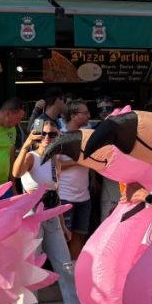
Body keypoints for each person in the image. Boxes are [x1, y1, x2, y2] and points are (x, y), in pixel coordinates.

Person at [12, 118, 96, 304]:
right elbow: (16, 173)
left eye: (54, 134)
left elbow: (55, 193)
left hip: (51, 214)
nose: (49, 138)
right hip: (32, 215)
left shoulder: (54, 160)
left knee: (66, 266)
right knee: (34, 267)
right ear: (37, 134)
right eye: (45, 134)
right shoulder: (32, 156)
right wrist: (26, 143)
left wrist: (62, 224)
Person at [57, 100, 93, 259]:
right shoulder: (58, 135)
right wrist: (79, 160)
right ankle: (66, 274)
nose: (88, 116)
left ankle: (74, 273)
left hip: (84, 195)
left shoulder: (87, 133)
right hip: (65, 195)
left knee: (79, 235)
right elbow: (55, 165)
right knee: (65, 236)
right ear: (73, 115)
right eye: (84, 113)